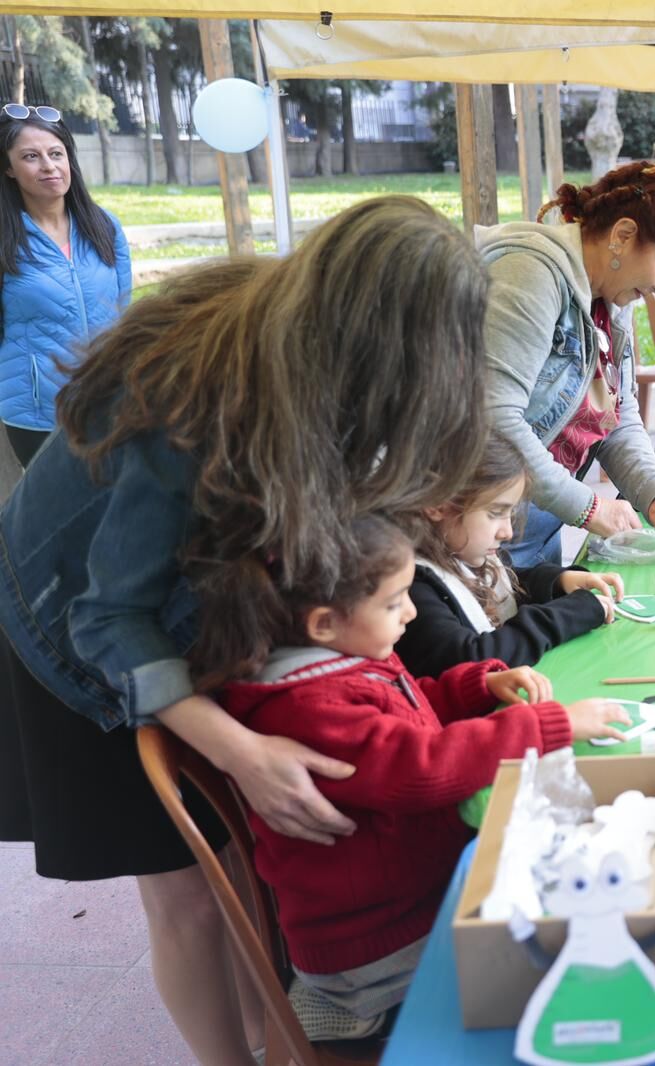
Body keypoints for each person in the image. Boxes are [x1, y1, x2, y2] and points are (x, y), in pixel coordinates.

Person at [0, 196, 491, 1066]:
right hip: (73, 627)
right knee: (188, 895)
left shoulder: (308, 351)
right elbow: (110, 615)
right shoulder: (197, 399)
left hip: (183, 609)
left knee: (244, 863)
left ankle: (277, 1042)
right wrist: (240, 749)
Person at [219, 515, 626, 1039]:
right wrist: (550, 725)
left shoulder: (342, 659)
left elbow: (409, 708)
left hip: (407, 901)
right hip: (374, 948)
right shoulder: (308, 707)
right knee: (563, 949)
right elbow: (422, 765)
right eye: (395, 604)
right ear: (322, 624)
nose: (412, 613)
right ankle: (349, 1011)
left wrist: (478, 687)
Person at [480, 161, 655, 567]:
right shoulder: (528, 275)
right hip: (478, 535)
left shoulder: (612, 300)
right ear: (623, 236)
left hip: (535, 529)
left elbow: (618, 416)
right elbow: (495, 422)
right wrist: (590, 508)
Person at [396, 431, 626, 681]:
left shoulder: (460, 553)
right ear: (439, 506)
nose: (507, 532)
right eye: (496, 513)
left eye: (511, 514)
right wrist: (567, 614)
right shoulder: (410, 586)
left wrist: (557, 582)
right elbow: (471, 659)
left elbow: (504, 587)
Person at [0, 105, 130, 467]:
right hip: (38, 413)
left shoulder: (105, 226)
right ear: (9, 168)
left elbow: (122, 313)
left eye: (56, 154)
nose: (49, 166)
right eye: (31, 156)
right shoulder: (5, 239)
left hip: (108, 401)